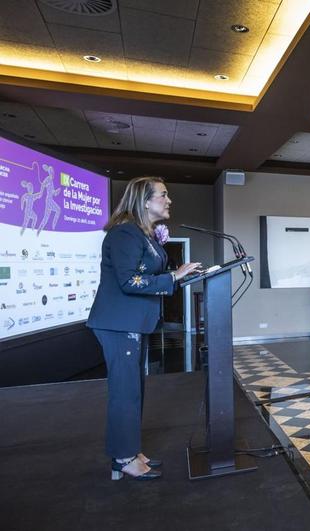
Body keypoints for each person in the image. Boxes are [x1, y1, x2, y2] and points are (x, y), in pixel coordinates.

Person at [87, 176, 201, 480]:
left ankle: (131, 449)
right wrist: (173, 277)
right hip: (118, 323)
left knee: (133, 390)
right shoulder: (125, 233)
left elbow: (153, 273)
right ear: (144, 200)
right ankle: (123, 458)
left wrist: (177, 276)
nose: (169, 201)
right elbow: (128, 281)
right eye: (163, 195)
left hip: (131, 323)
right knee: (125, 392)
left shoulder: (143, 234)